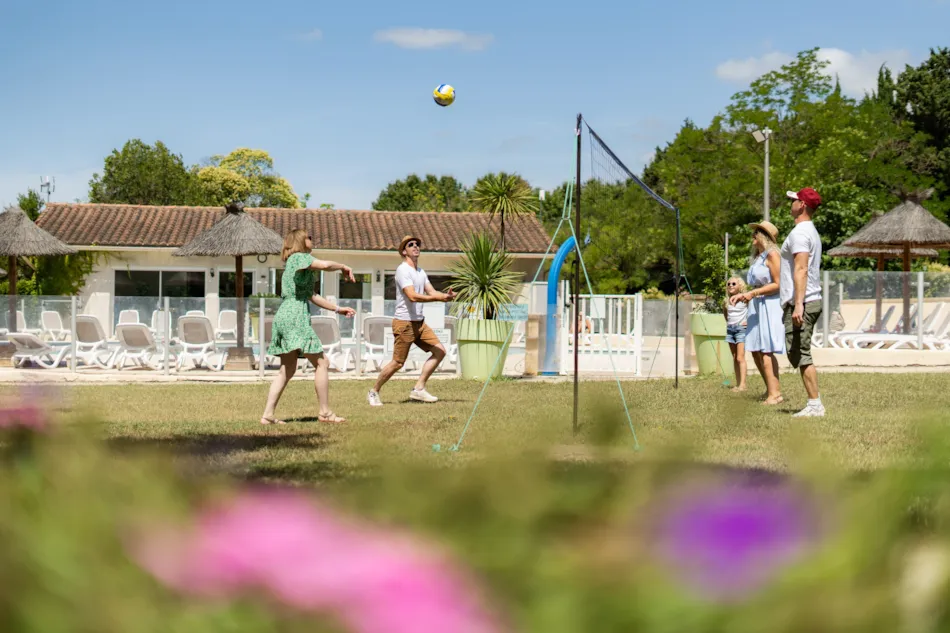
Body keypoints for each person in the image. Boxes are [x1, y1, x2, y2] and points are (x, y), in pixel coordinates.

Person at [261, 228, 356, 425]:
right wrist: (343, 266)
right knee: (322, 363)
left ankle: (267, 415)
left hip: (286, 314)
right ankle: (325, 412)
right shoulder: (298, 258)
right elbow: (324, 265)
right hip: (295, 315)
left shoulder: (295, 264)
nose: (312, 239)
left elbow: (312, 296)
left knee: (287, 369)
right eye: (309, 237)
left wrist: (338, 309)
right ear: (300, 241)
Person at [367, 235, 455, 406]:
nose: (416, 246)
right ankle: (373, 391)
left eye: (417, 244)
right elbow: (412, 296)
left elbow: (431, 291)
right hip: (404, 323)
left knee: (440, 351)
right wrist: (438, 299)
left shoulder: (420, 272)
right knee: (398, 363)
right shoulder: (403, 270)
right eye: (411, 244)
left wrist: (445, 296)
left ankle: (419, 389)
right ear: (404, 251)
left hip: (419, 323)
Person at [781, 188, 825, 417]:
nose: (791, 203)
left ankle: (815, 405)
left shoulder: (800, 233)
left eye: (794, 200)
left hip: (804, 301)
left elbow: (801, 268)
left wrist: (798, 304)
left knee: (801, 353)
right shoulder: (808, 231)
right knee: (797, 352)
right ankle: (814, 403)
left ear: (803, 206)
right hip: (807, 300)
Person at [730, 221, 785, 405]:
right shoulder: (758, 257)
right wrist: (746, 296)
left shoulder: (773, 254)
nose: (752, 236)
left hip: (768, 304)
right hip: (756, 304)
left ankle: (775, 394)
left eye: (756, 233)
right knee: (755, 350)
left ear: (763, 236)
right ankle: (770, 389)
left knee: (766, 350)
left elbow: (778, 284)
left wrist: (753, 293)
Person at [724, 276, 748, 392]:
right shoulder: (726, 301)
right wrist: (729, 324)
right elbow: (726, 314)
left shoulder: (745, 300)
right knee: (734, 358)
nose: (730, 286)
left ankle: (743, 385)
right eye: (729, 284)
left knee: (740, 357)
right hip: (730, 330)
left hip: (741, 330)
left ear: (740, 286)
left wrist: (747, 322)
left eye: (733, 284)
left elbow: (753, 312)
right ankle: (738, 383)